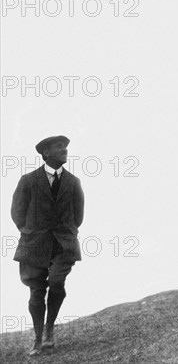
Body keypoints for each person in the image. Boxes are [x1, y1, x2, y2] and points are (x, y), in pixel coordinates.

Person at [11, 135, 84, 356]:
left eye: (66, 147)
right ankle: (37, 338)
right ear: (46, 153)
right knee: (36, 291)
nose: (65, 150)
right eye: (59, 147)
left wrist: (68, 231)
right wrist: (28, 231)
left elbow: (78, 215)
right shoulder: (28, 180)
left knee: (57, 282)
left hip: (63, 243)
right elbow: (17, 212)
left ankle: (49, 331)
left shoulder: (73, 182)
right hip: (34, 243)